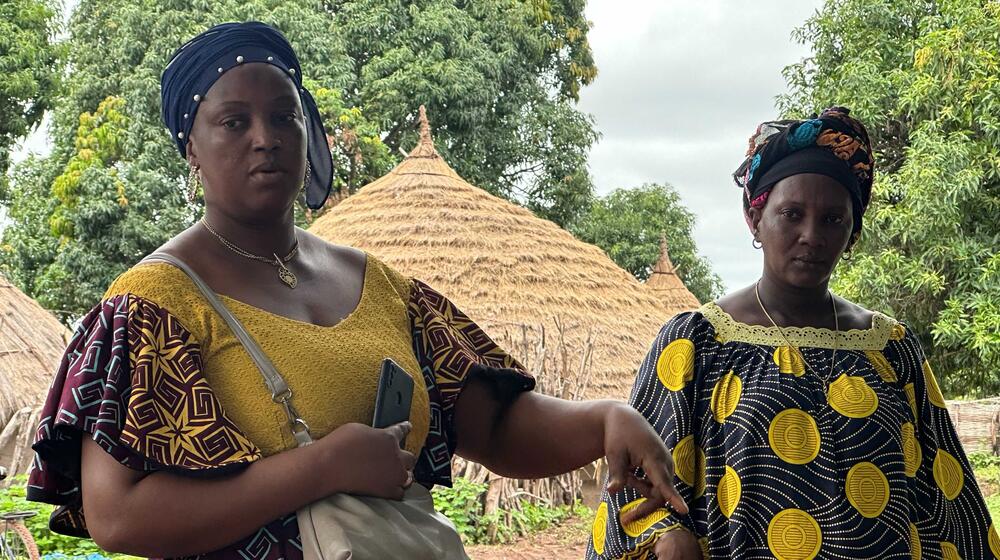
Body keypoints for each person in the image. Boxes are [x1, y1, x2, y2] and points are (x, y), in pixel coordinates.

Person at [24, 22, 685, 560]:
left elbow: (496, 423)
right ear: (190, 150)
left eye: (284, 116)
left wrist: (603, 420)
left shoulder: (383, 288)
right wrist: (322, 468)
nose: (266, 138)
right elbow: (119, 515)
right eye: (234, 122)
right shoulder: (152, 306)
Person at [586, 107, 998, 560]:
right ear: (754, 217)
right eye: (791, 213)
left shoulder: (890, 349)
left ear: (853, 231)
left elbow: (947, 495)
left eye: (833, 220)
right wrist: (666, 535)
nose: (811, 235)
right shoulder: (697, 344)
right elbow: (632, 486)